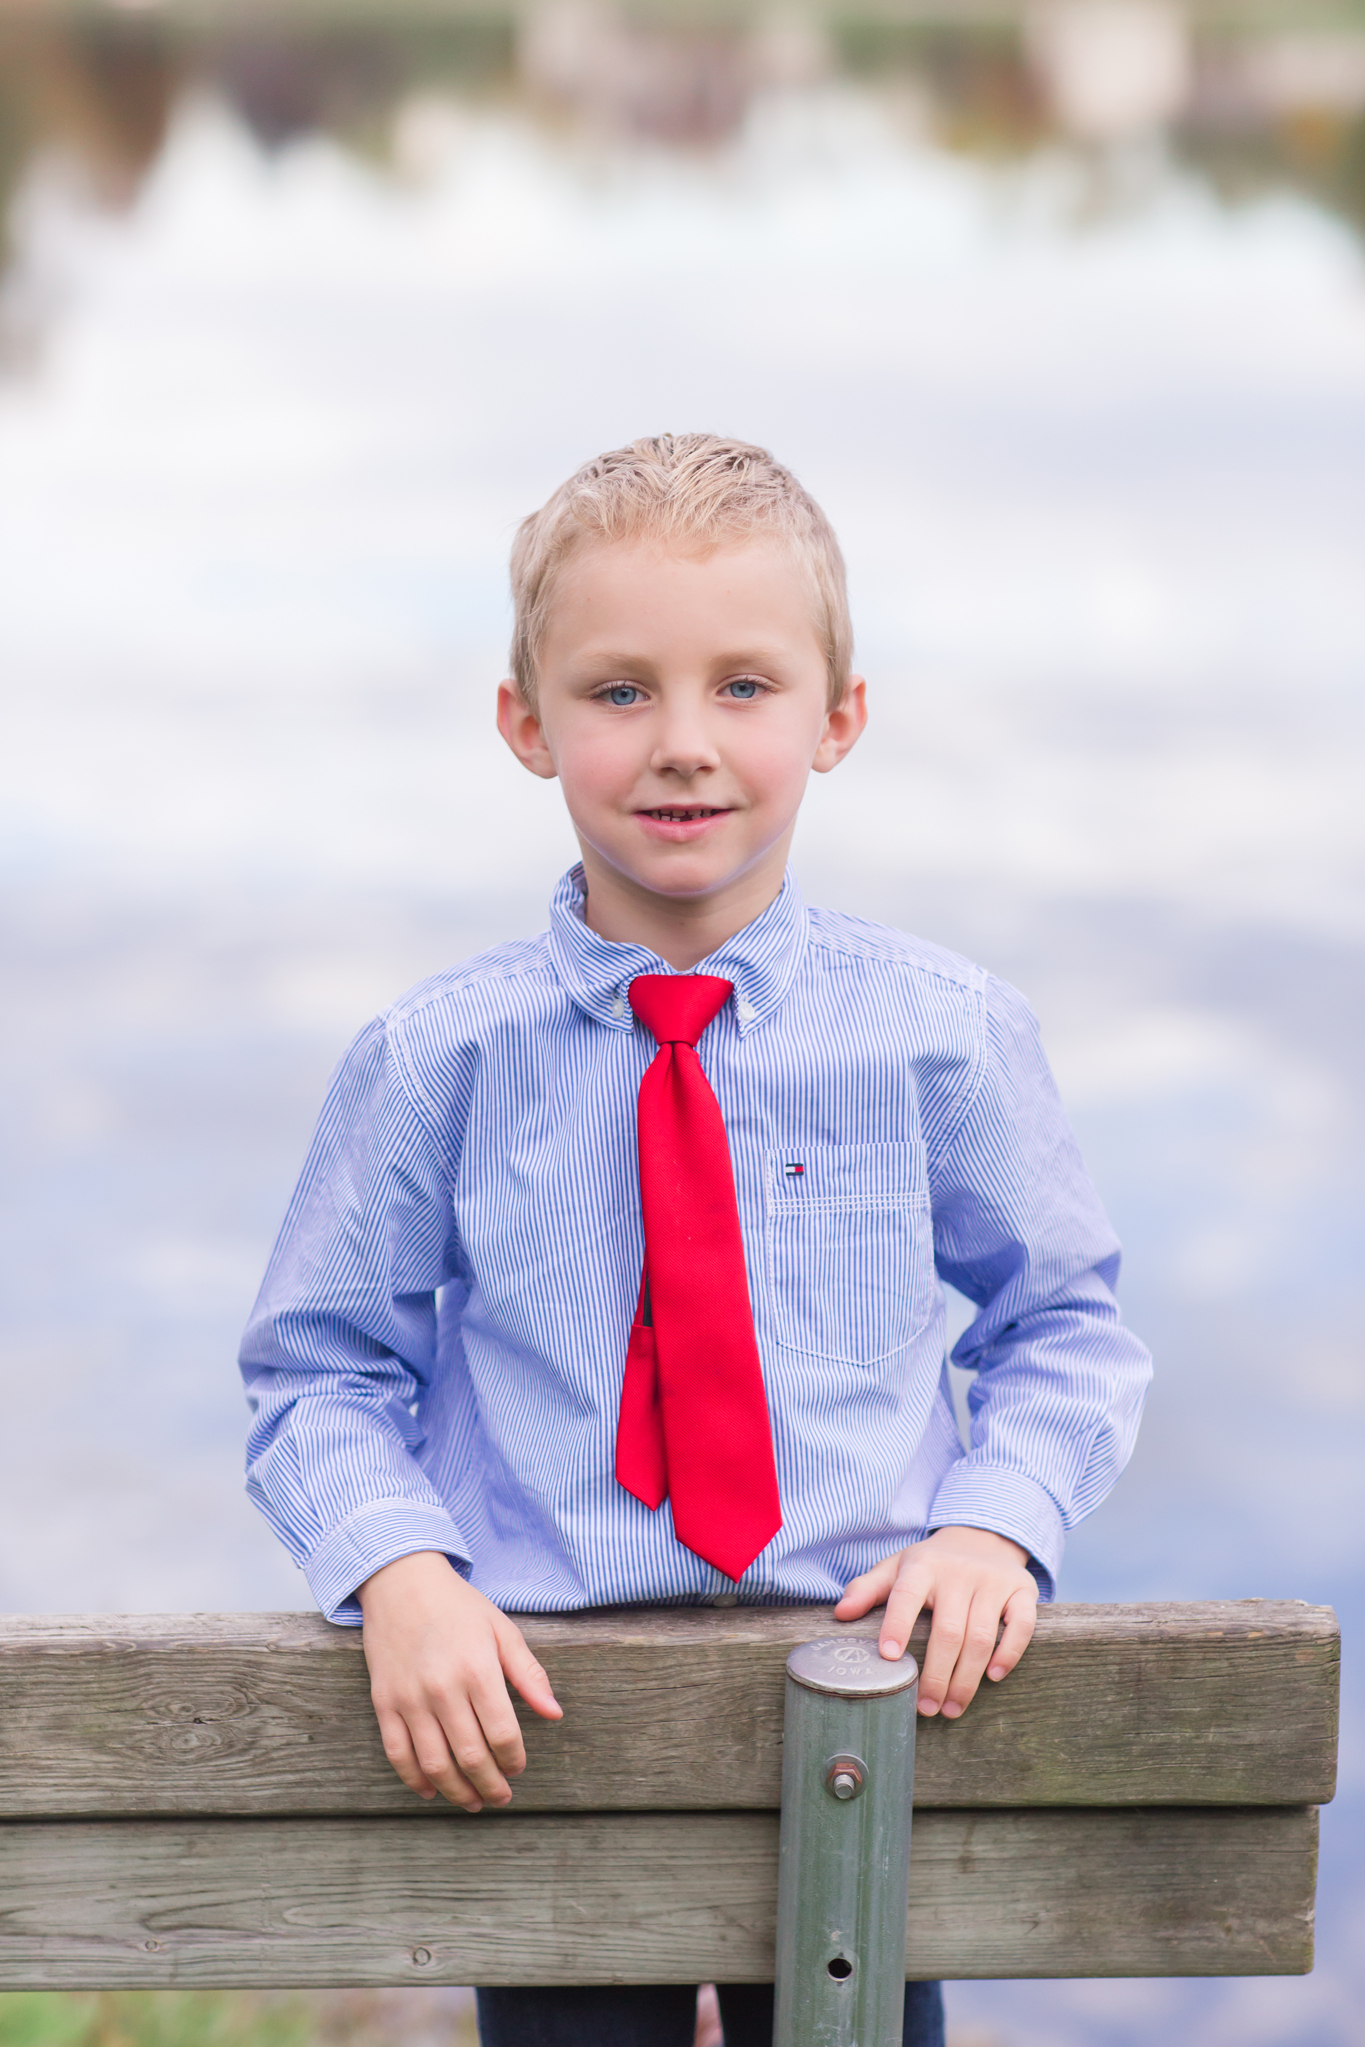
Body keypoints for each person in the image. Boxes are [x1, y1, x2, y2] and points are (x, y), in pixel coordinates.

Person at [239, 433, 1152, 2047]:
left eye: (743, 686)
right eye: (618, 691)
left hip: (875, 1711)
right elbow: (318, 1368)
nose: (682, 745)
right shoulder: (435, 1060)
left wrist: (991, 1528)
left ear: (836, 717)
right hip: (544, 1738)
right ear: (526, 722)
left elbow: (1062, 1331)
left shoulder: (939, 1037)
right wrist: (400, 1569)